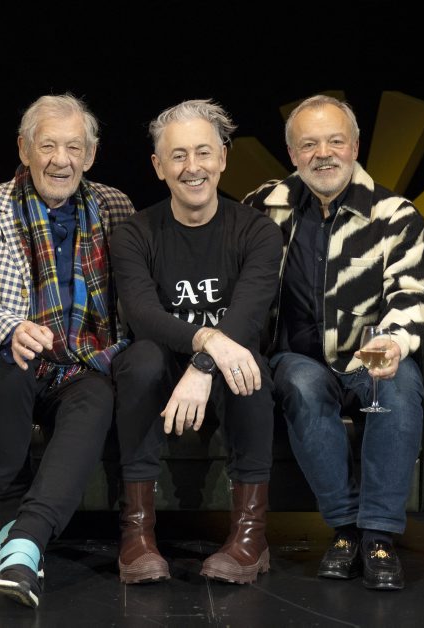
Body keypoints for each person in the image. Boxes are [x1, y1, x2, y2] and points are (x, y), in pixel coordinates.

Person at [0, 93, 134, 608]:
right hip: (10, 359)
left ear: (91, 155)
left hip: (81, 363)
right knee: (3, 362)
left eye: (74, 147)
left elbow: (133, 293)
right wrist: (10, 328)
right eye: (48, 146)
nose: (60, 160)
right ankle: (14, 522)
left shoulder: (115, 206)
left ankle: (23, 543)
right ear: (24, 149)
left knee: (98, 396)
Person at [242, 94, 424, 591]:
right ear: (292, 154)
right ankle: (346, 528)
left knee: (398, 388)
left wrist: (391, 344)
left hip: (369, 353)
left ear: (354, 146)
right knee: (302, 386)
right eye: (309, 144)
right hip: (298, 357)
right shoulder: (264, 208)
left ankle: (379, 537)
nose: (323, 154)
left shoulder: (395, 214)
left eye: (335, 141)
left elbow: (411, 293)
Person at [109, 99, 282, 585]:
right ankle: (137, 534)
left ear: (223, 158)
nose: (193, 167)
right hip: (161, 365)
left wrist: (204, 365)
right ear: (158, 166)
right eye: (178, 155)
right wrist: (207, 339)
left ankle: (250, 537)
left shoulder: (258, 232)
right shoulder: (134, 233)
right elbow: (143, 315)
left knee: (248, 367)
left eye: (203, 152)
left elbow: (248, 317)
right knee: (141, 360)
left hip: (224, 368)